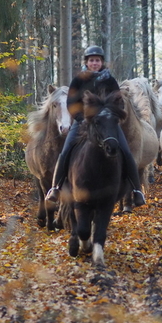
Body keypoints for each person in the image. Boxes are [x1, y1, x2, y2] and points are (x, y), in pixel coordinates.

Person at [45, 45, 146, 208]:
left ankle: (136, 190)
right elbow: (71, 102)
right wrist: (80, 118)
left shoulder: (110, 80)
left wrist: (112, 118)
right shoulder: (79, 80)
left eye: (97, 60)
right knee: (66, 150)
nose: (94, 63)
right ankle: (55, 188)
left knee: (126, 151)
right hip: (83, 121)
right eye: (91, 60)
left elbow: (118, 101)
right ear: (87, 62)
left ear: (102, 62)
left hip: (106, 123)